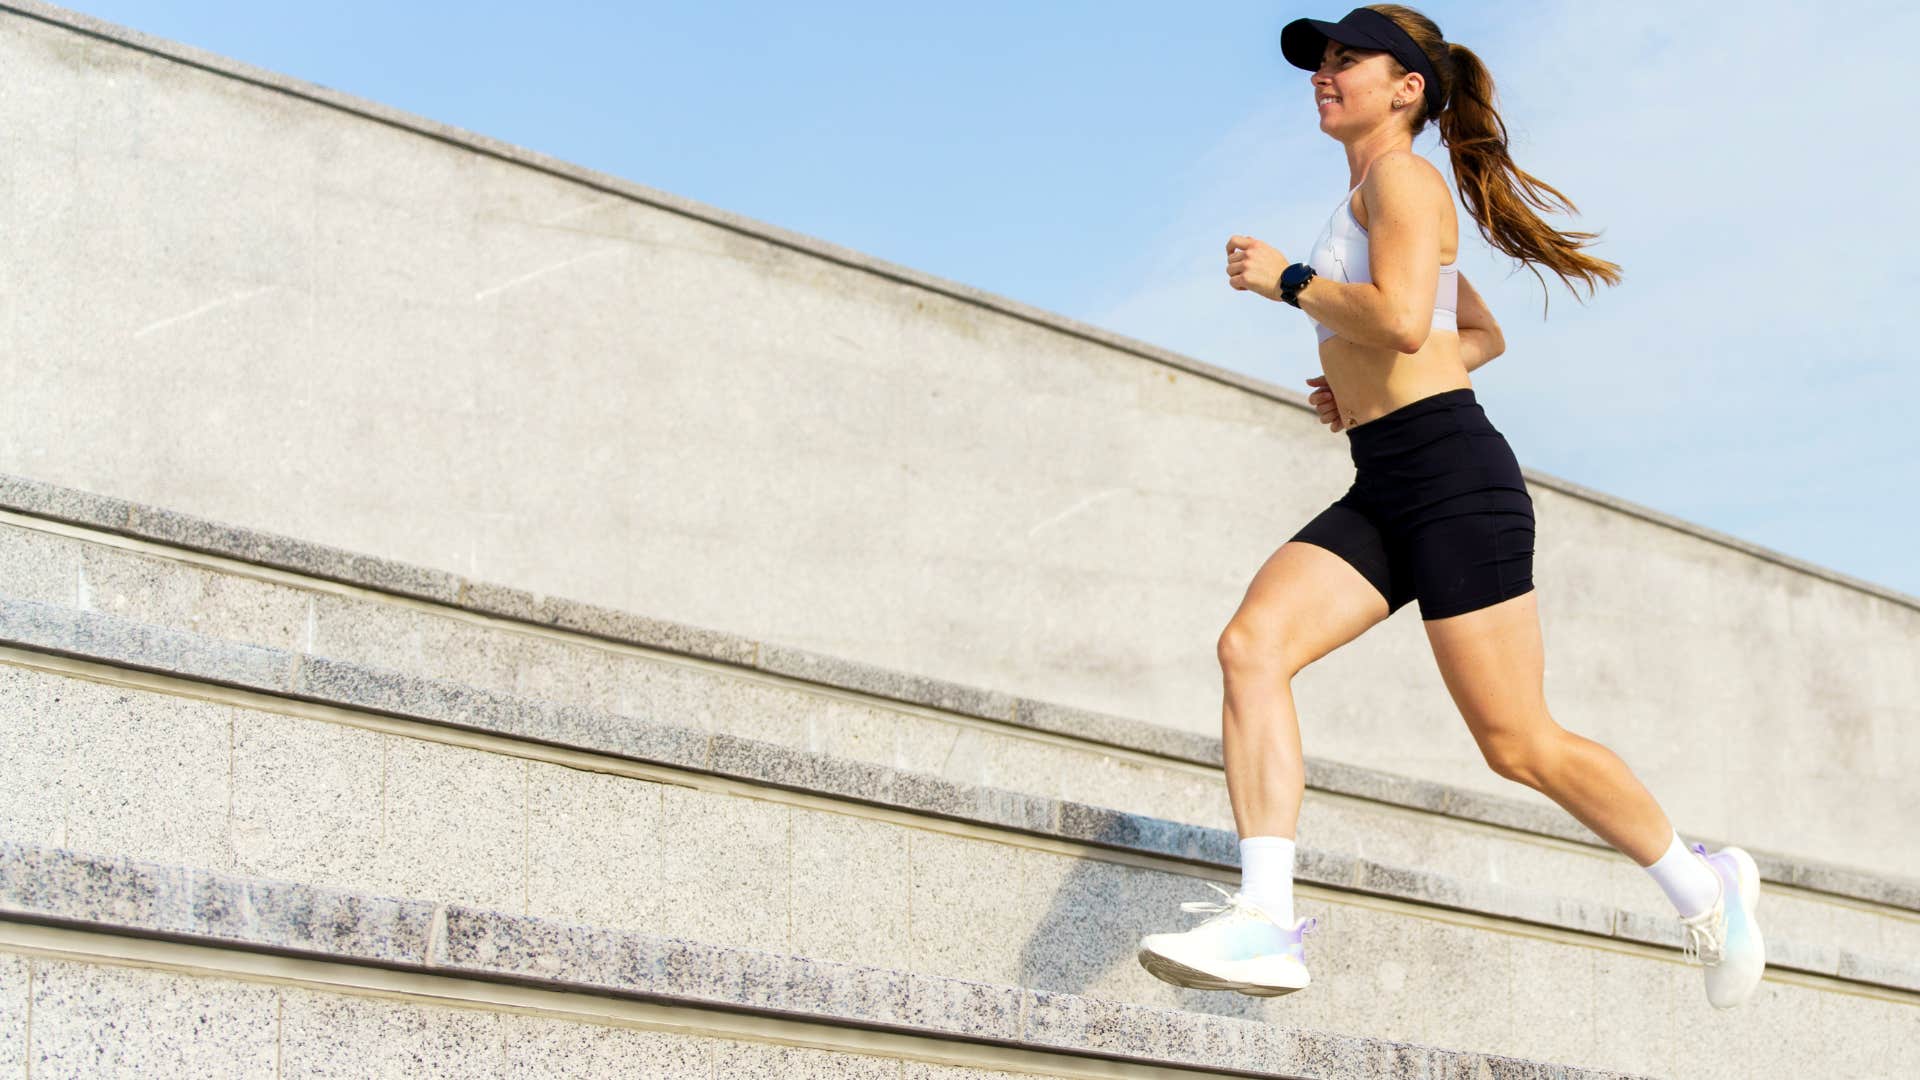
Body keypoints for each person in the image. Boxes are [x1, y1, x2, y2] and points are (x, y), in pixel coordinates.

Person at [1135, 5, 1765, 1009]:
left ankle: (1705, 884)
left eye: (1349, 60)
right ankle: (1265, 923)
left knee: (1517, 743)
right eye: (1320, 61)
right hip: (1389, 476)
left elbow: (1391, 317)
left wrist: (1288, 282)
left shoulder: (1403, 180)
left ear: (1408, 88)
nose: (1325, 74)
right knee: (1252, 647)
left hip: (1456, 483)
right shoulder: (1375, 192)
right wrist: (1363, 386)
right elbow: (1469, 332)